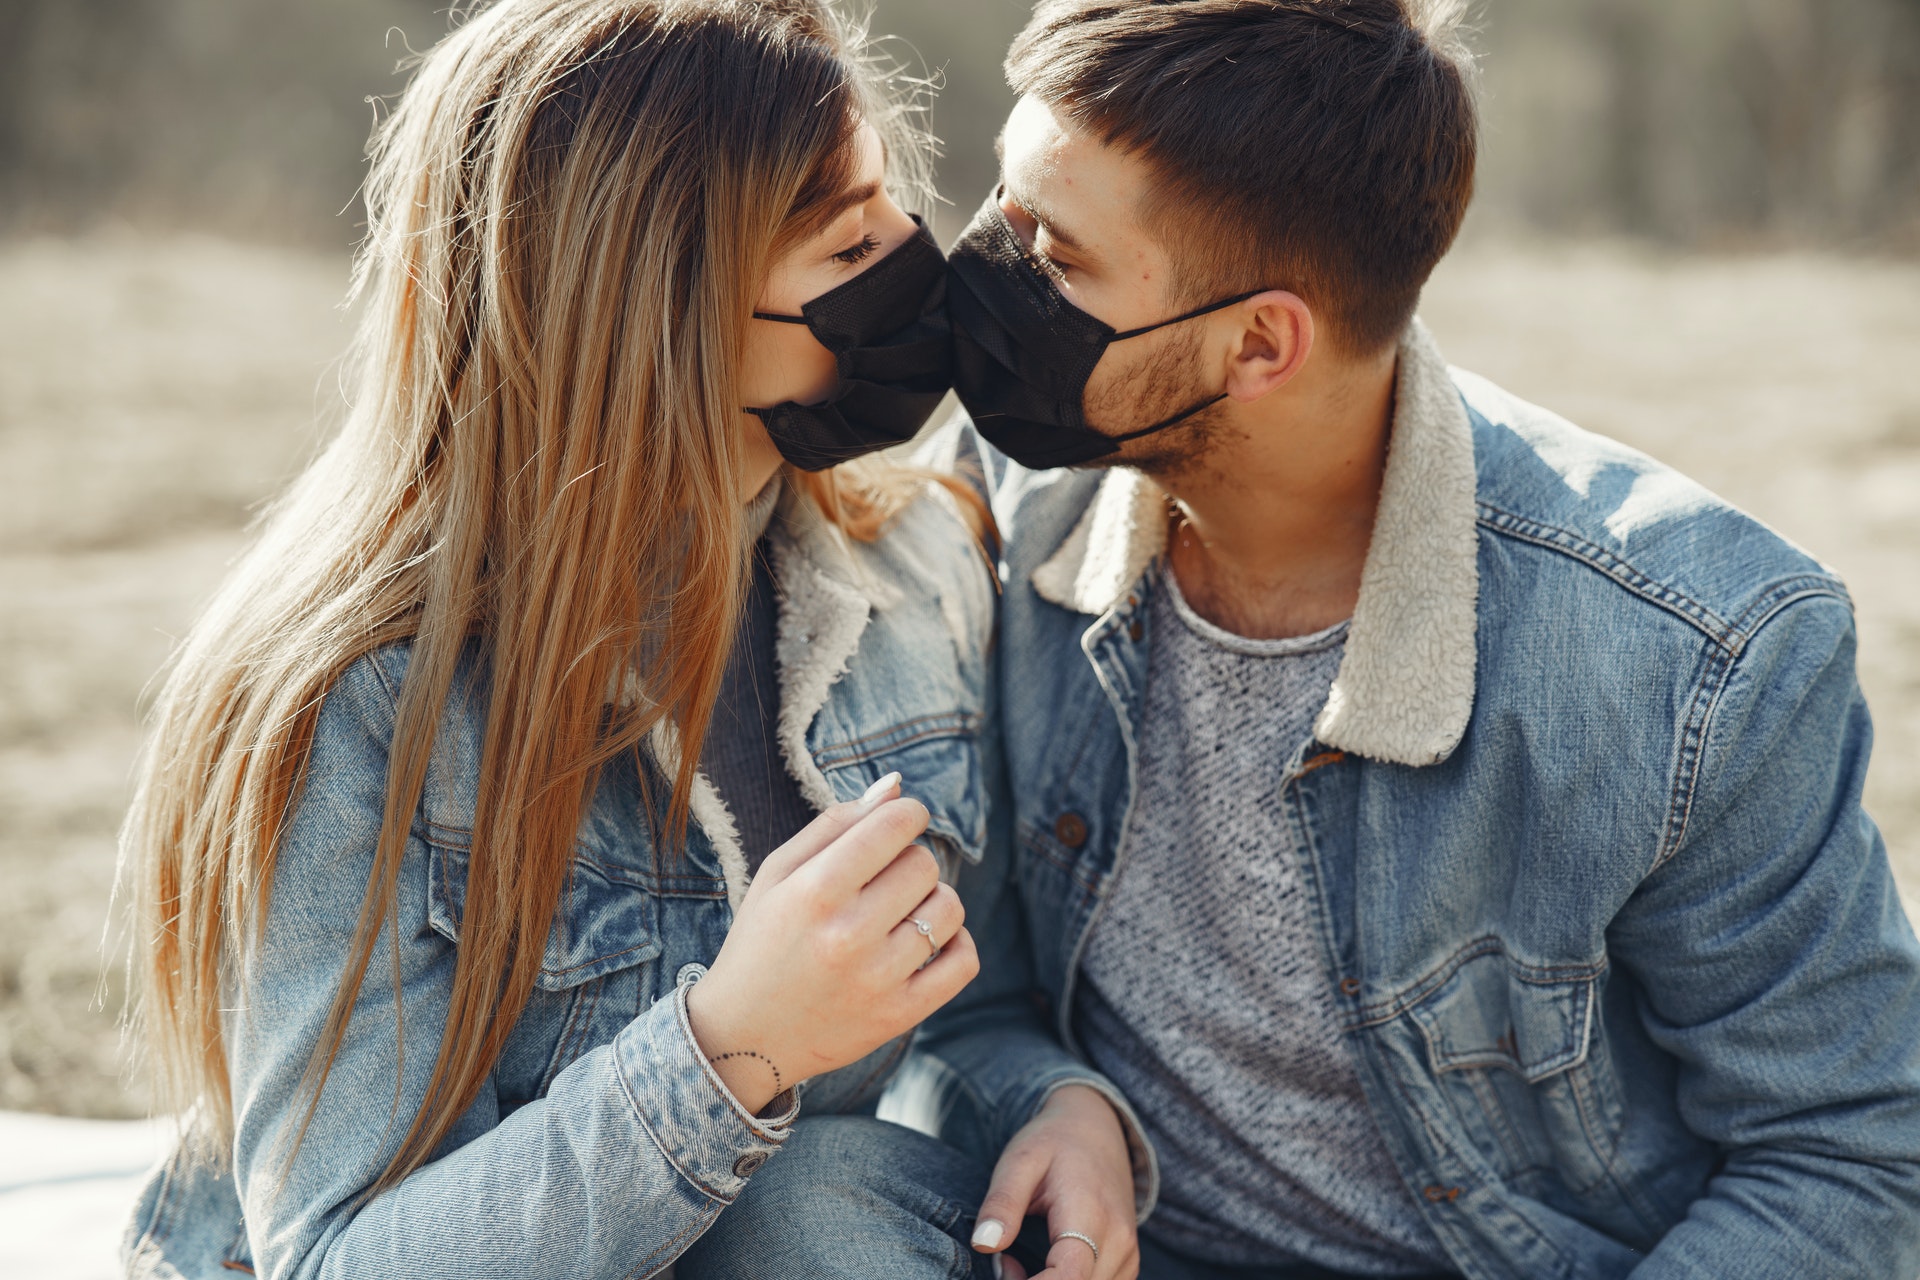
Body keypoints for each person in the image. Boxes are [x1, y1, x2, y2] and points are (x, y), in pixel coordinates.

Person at [914, 1, 1920, 1278]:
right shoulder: (994, 507)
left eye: (1052, 256)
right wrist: (1054, 1098)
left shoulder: (1699, 660)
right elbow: (974, 993)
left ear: (1262, 342)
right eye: (1003, 208)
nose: (984, 271)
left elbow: (1849, 1148)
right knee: (821, 1208)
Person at [115, 1, 1005, 1275]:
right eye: (850, 243)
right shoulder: (360, 696)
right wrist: (730, 1047)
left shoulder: (919, 564)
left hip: (770, 1241)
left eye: (894, 210)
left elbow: (988, 1004)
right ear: (658, 308)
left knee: (812, 1203)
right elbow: (334, 1257)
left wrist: (1053, 1104)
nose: (917, 265)